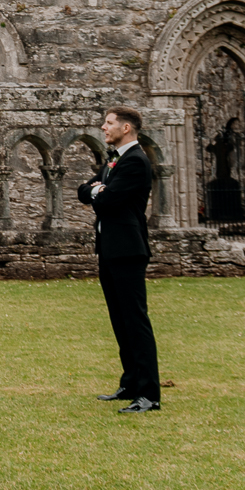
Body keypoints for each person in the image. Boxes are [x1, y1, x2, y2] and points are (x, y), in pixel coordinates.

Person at [78, 106, 161, 413]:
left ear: (126, 128)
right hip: (110, 248)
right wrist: (97, 189)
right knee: (119, 319)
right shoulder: (114, 160)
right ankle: (130, 383)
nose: (103, 127)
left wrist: (99, 192)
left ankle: (149, 394)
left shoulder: (137, 161)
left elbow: (108, 200)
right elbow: (82, 191)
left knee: (135, 321)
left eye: (109, 123)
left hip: (128, 249)